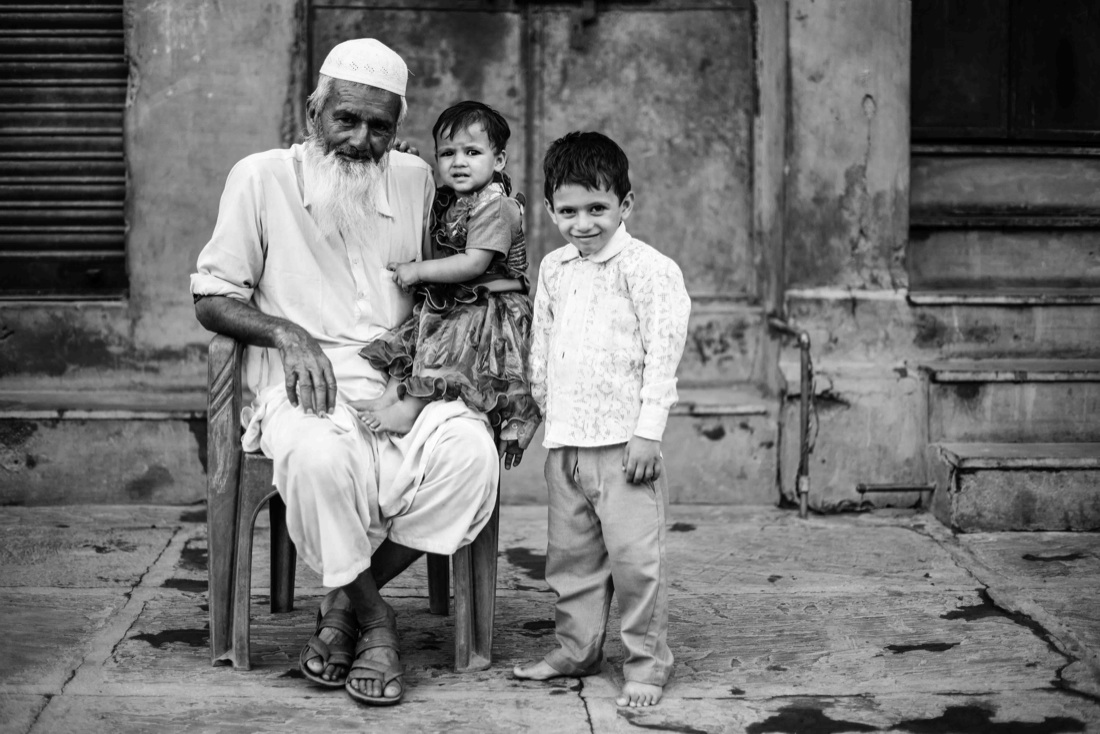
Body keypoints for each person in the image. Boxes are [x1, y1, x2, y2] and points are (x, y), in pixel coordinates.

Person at [190, 38, 503, 706]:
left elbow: (471, 257)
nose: (363, 140)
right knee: (315, 459)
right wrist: (286, 332)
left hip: (401, 382)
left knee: (472, 453)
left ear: (398, 128)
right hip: (303, 381)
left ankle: (344, 605)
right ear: (315, 113)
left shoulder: (417, 178)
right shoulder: (260, 177)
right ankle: (379, 621)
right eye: (347, 120)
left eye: (380, 126)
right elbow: (211, 295)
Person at [513, 131, 691, 708]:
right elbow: (541, 350)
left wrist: (648, 433)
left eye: (597, 208)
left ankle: (647, 662)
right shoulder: (555, 269)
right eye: (568, 211)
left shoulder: (649, 270)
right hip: (565, 445)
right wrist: (537, 420)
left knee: (638, 562)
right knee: (572, 562)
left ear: (625, 205)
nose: (582, 223)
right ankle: (577, 647)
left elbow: (663, 353)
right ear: (549, 209)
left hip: (623, 448)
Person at [356, 100, 540, 454]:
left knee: (447, 346)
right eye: (447, 154)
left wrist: (418, 271)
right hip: (461, 299)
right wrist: (409, 162)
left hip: (489, 307)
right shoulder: (455, 199)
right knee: (414, 332)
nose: (458, 162)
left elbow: (473, 263)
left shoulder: (496, 207)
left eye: (472, 152)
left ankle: (410, 410)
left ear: (498, 160)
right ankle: (389, 397)